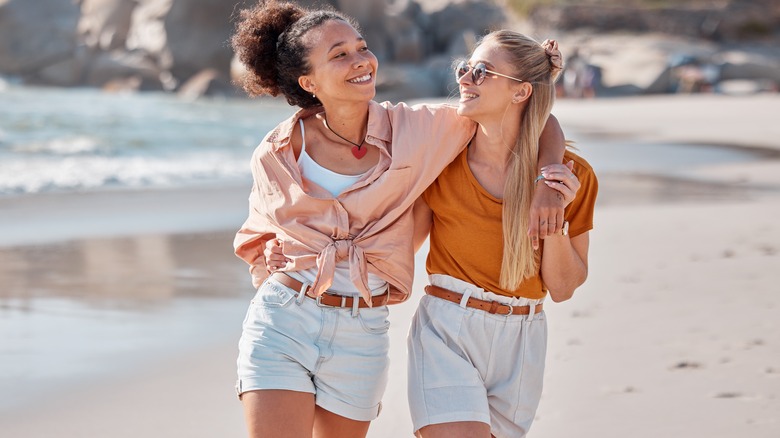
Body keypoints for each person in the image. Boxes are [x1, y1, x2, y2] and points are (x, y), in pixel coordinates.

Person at [231, 1, 567, 437]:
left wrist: (548, 178)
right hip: (284, 319)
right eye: (339, 55)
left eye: (361, 47)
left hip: (362, 329)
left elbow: (534, 118)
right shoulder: (276, 152)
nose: (360, 61)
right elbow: (257, 236)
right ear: (309, 82)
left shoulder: (418, 129)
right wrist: (268, 260)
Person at [407, 31, 598, 438]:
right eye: (464, 68)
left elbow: (562, 289)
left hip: (524, 338)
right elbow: (401, 245)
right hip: (446, 330)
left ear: (520, 92)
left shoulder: (571, 176)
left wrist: (555, 217)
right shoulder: (441, 160)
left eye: (481, 72)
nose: (464, 79)